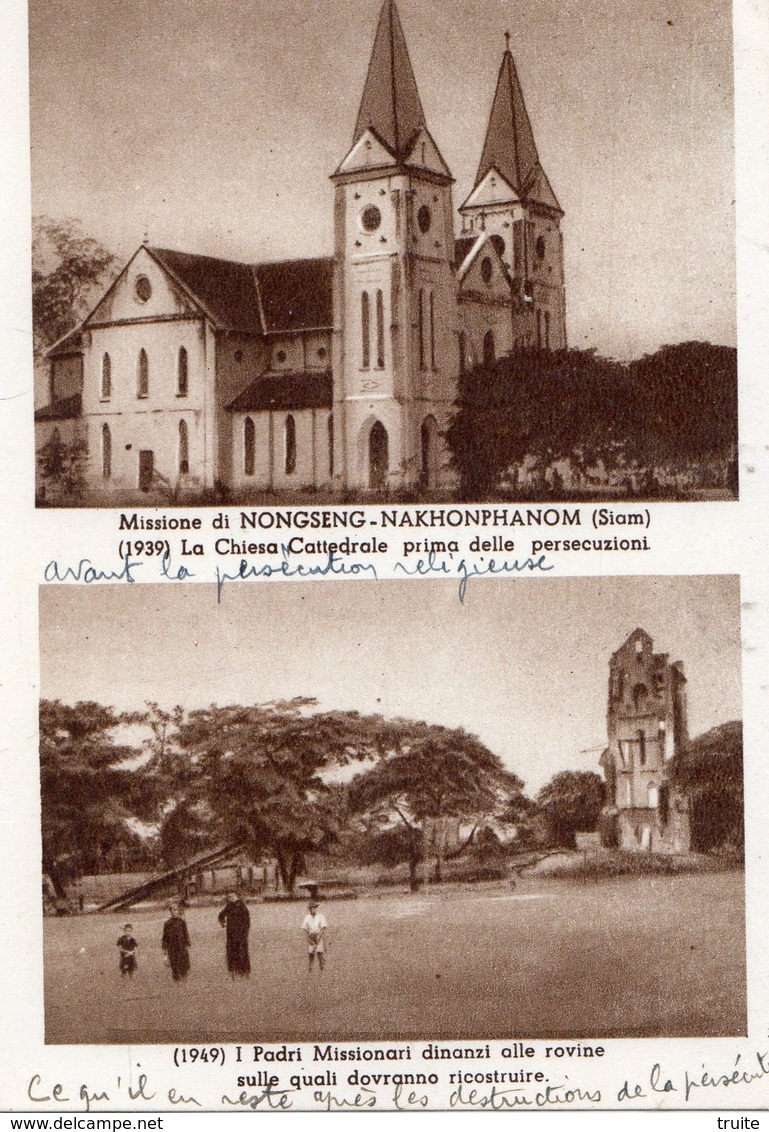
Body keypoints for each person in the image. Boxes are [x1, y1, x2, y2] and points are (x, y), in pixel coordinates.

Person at [218, 892, 251, 978]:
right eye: (229, 896)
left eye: (233, 896)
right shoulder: (229, 906)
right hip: (231, 934)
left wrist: (245, 932)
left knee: (242, 952)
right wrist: (223, 923)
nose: (231, 898)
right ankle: (233, 970)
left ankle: (244, 971)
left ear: (236, 896)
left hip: (241, 934)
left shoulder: (242, 906)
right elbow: (221, 915)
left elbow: (247, 920)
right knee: (232, 952)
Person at [161, 903, 191, 981]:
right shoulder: (167, 923)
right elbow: (165, 937)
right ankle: (176, 980)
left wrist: (187, 944)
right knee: (174, 963)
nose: (174, 911)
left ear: (178, 910)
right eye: (173, 910)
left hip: (181, 945)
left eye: (176, 909)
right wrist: (164, 948)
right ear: (170, 911)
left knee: (183, 962)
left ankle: (184, 978)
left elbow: (185, 933)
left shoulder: (181, 922)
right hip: (172, 946)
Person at [301, 900, 328, 972]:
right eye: (312, 908)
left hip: (318, 936)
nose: (314, 909)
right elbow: (304, 929)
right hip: (311, 937)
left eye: (315, 908)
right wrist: (308, 939)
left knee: (320, 953)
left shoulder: (320, 916)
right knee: (311, 954)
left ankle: (322, 969)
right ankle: (310, 969)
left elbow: (323, 928)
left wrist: (319, 937)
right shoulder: (307, 917)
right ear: (309, 909)